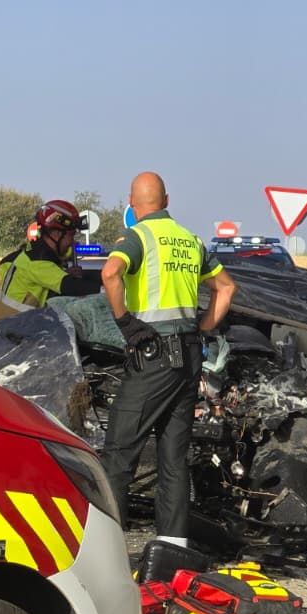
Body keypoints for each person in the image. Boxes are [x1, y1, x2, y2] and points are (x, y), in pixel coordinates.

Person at [99, 172, 236, 548]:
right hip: (189, 357)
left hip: (152, 357)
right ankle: (174, 549)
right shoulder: (190, 240)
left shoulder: (137, 237)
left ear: (132, 203)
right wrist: (203, 327)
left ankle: (107, 551)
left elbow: (110, 273)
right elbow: (226, 288)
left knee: (118, 455)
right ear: (167, 200)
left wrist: (126, 322)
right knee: (173, 460)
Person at [0, 199, 103, 314]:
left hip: (5, 325)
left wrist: (107, 275)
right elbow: (70, 286)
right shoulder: (37, 261)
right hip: (13, 328)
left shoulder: (22, 255)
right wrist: (110, 288)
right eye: (71, 236)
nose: (72, 242)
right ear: (56, 234)